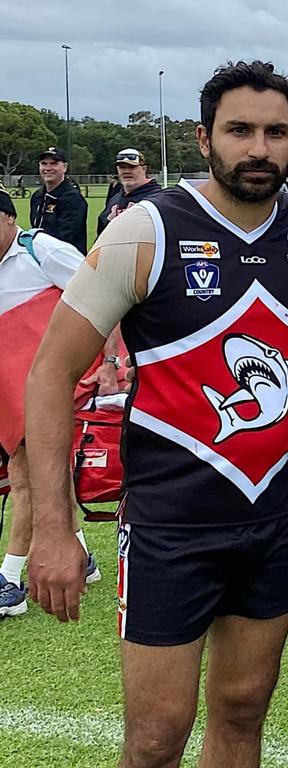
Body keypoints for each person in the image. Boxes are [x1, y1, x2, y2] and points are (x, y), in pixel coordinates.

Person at [26, 60, 288, 768]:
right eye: (240, 130)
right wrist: (53, 526)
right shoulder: (147, 230)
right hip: (171, 525)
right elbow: (50, 373)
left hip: (275, 519)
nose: (259, 148)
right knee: (158, 737)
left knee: (243, 711)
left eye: (275, 132)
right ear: (204, 138)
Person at [0, 183, 103, 617]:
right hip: (8, 392)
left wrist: (111, 361)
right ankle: (82, 555)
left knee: (27, 478)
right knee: (46, 475)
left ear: (9, 217)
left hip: (43, 389)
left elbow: (101, 294)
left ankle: (8, 580)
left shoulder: (40, 250)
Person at [30, 147, 88, 254]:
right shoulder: (37, 196)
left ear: (65, 167)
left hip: (66, 262)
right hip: (40, 260)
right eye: (44, 163)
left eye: (53, 163)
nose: (48, 168)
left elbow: (65, 238)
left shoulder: (73, 198)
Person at [96, 148, 163, 238]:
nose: (126, 171)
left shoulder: (159, 198)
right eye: (122, 167)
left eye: (132, 167)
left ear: (144, 169)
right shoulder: (115, 199)